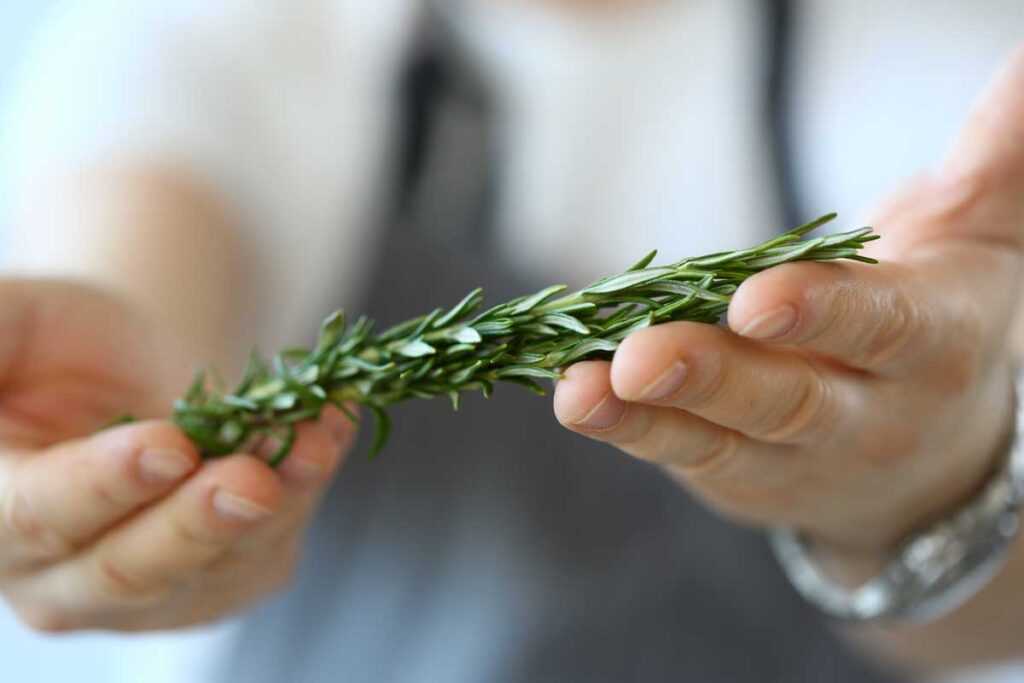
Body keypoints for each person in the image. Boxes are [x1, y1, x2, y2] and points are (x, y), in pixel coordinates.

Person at [0, 0, 1022, 681]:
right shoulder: (219, 30)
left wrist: (924, 491)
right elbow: (134, 249)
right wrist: (113, 434)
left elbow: (998, 625)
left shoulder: (958, 72)